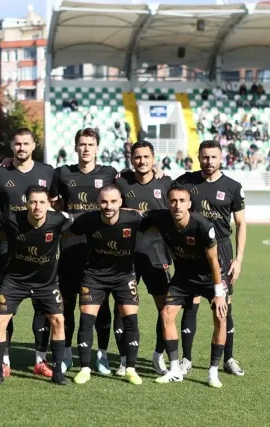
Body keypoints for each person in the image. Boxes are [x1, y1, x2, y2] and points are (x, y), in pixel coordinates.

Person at [0, 128, 59, 378]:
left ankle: (41, 359)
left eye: (26, 144)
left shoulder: (47, 171)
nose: (22, 148)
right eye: (17, 144)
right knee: (5, 310)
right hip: (9, 251)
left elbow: (55, 204)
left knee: (42, 307)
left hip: (42, 252)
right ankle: (4, 361)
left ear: (34, 145)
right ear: (11, 145)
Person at [141, 184, 228, 388]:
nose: (177, 205)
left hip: (210, 276)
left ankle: (213, 372)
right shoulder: (161, 218)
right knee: (166, 314)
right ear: (167, 203)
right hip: (183, 277)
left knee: (221, 318)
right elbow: (137, 213)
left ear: (189, 204)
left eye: (182, 201)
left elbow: (214, 260)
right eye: (173, 201)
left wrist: (219, 293)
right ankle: (174, 370)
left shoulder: (203, 226)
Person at [174, 140, 247, 377]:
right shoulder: (186, 181)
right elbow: (169, 194)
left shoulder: (233, 187)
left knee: (224, 306)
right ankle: (186, 359)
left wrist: (238, 259)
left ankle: (229, 358)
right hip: (193, 249)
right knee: (190, 302)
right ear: (198, 158)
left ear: (221, 158)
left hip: (223, 250)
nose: (209, 162)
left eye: (213, 157)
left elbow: (241, 224)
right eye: (205, 157)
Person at [0, 186, 70, 386]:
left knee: (58, 321)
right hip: (14, 282)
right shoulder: (11, 218)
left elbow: (82, 222)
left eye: (42, 202)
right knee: (0, 322)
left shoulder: (59, 219)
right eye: (33, 202)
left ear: (49, 204)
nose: (37, 206)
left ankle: (57, 372)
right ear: (26, 203)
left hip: (46, 283)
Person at [65, 184, 146, 385]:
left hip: (124, 277)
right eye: (104, 201)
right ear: (97, 203)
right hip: (94, 277)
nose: (108, 206)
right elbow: (64, 233)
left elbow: (160, 223)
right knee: (86, 320)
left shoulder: (134, 218)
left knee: (131, 320)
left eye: (113, 201)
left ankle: (131, 369)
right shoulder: (87, 220)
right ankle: (85, 369)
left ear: (121, 203)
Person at [54, 128, 118, 374]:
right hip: (70, 249)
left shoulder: (109, 173)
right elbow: (52, 202)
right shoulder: (63, 173)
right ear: (75, 147)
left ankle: (102, 355)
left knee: (101, 305)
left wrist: (157, 171)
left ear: (97, 147)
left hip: (100, 250)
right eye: (82, 144)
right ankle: (66, 355)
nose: (86, 148)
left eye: (91, 144)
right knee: (67, 303)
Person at [115, 141, 173, 376]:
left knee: (165, 309)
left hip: (156, 255)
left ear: (153, 158)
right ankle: (124, 359)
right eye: (137, 157)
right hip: (126, 255)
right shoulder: (121, 182)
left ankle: (159, 355)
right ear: (131, 159)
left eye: (146, 157)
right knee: (123, 309)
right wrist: (134, 213)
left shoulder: (166, 182)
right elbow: (112, 208)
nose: (142, 161)